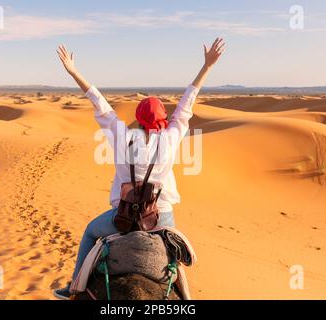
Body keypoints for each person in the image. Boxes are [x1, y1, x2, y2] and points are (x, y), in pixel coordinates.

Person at [53, 38, 225, 299]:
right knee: (173, 261)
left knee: (90, 232)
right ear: (162, 119)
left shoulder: (122, 136)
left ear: (139, 118)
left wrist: (74, 71)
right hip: (161, 217)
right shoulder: (170, 137)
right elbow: (187, 104)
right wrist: (207, 66)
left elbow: (100, 104)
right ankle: (186, 300)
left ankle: (74, 286)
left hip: (121, 218)